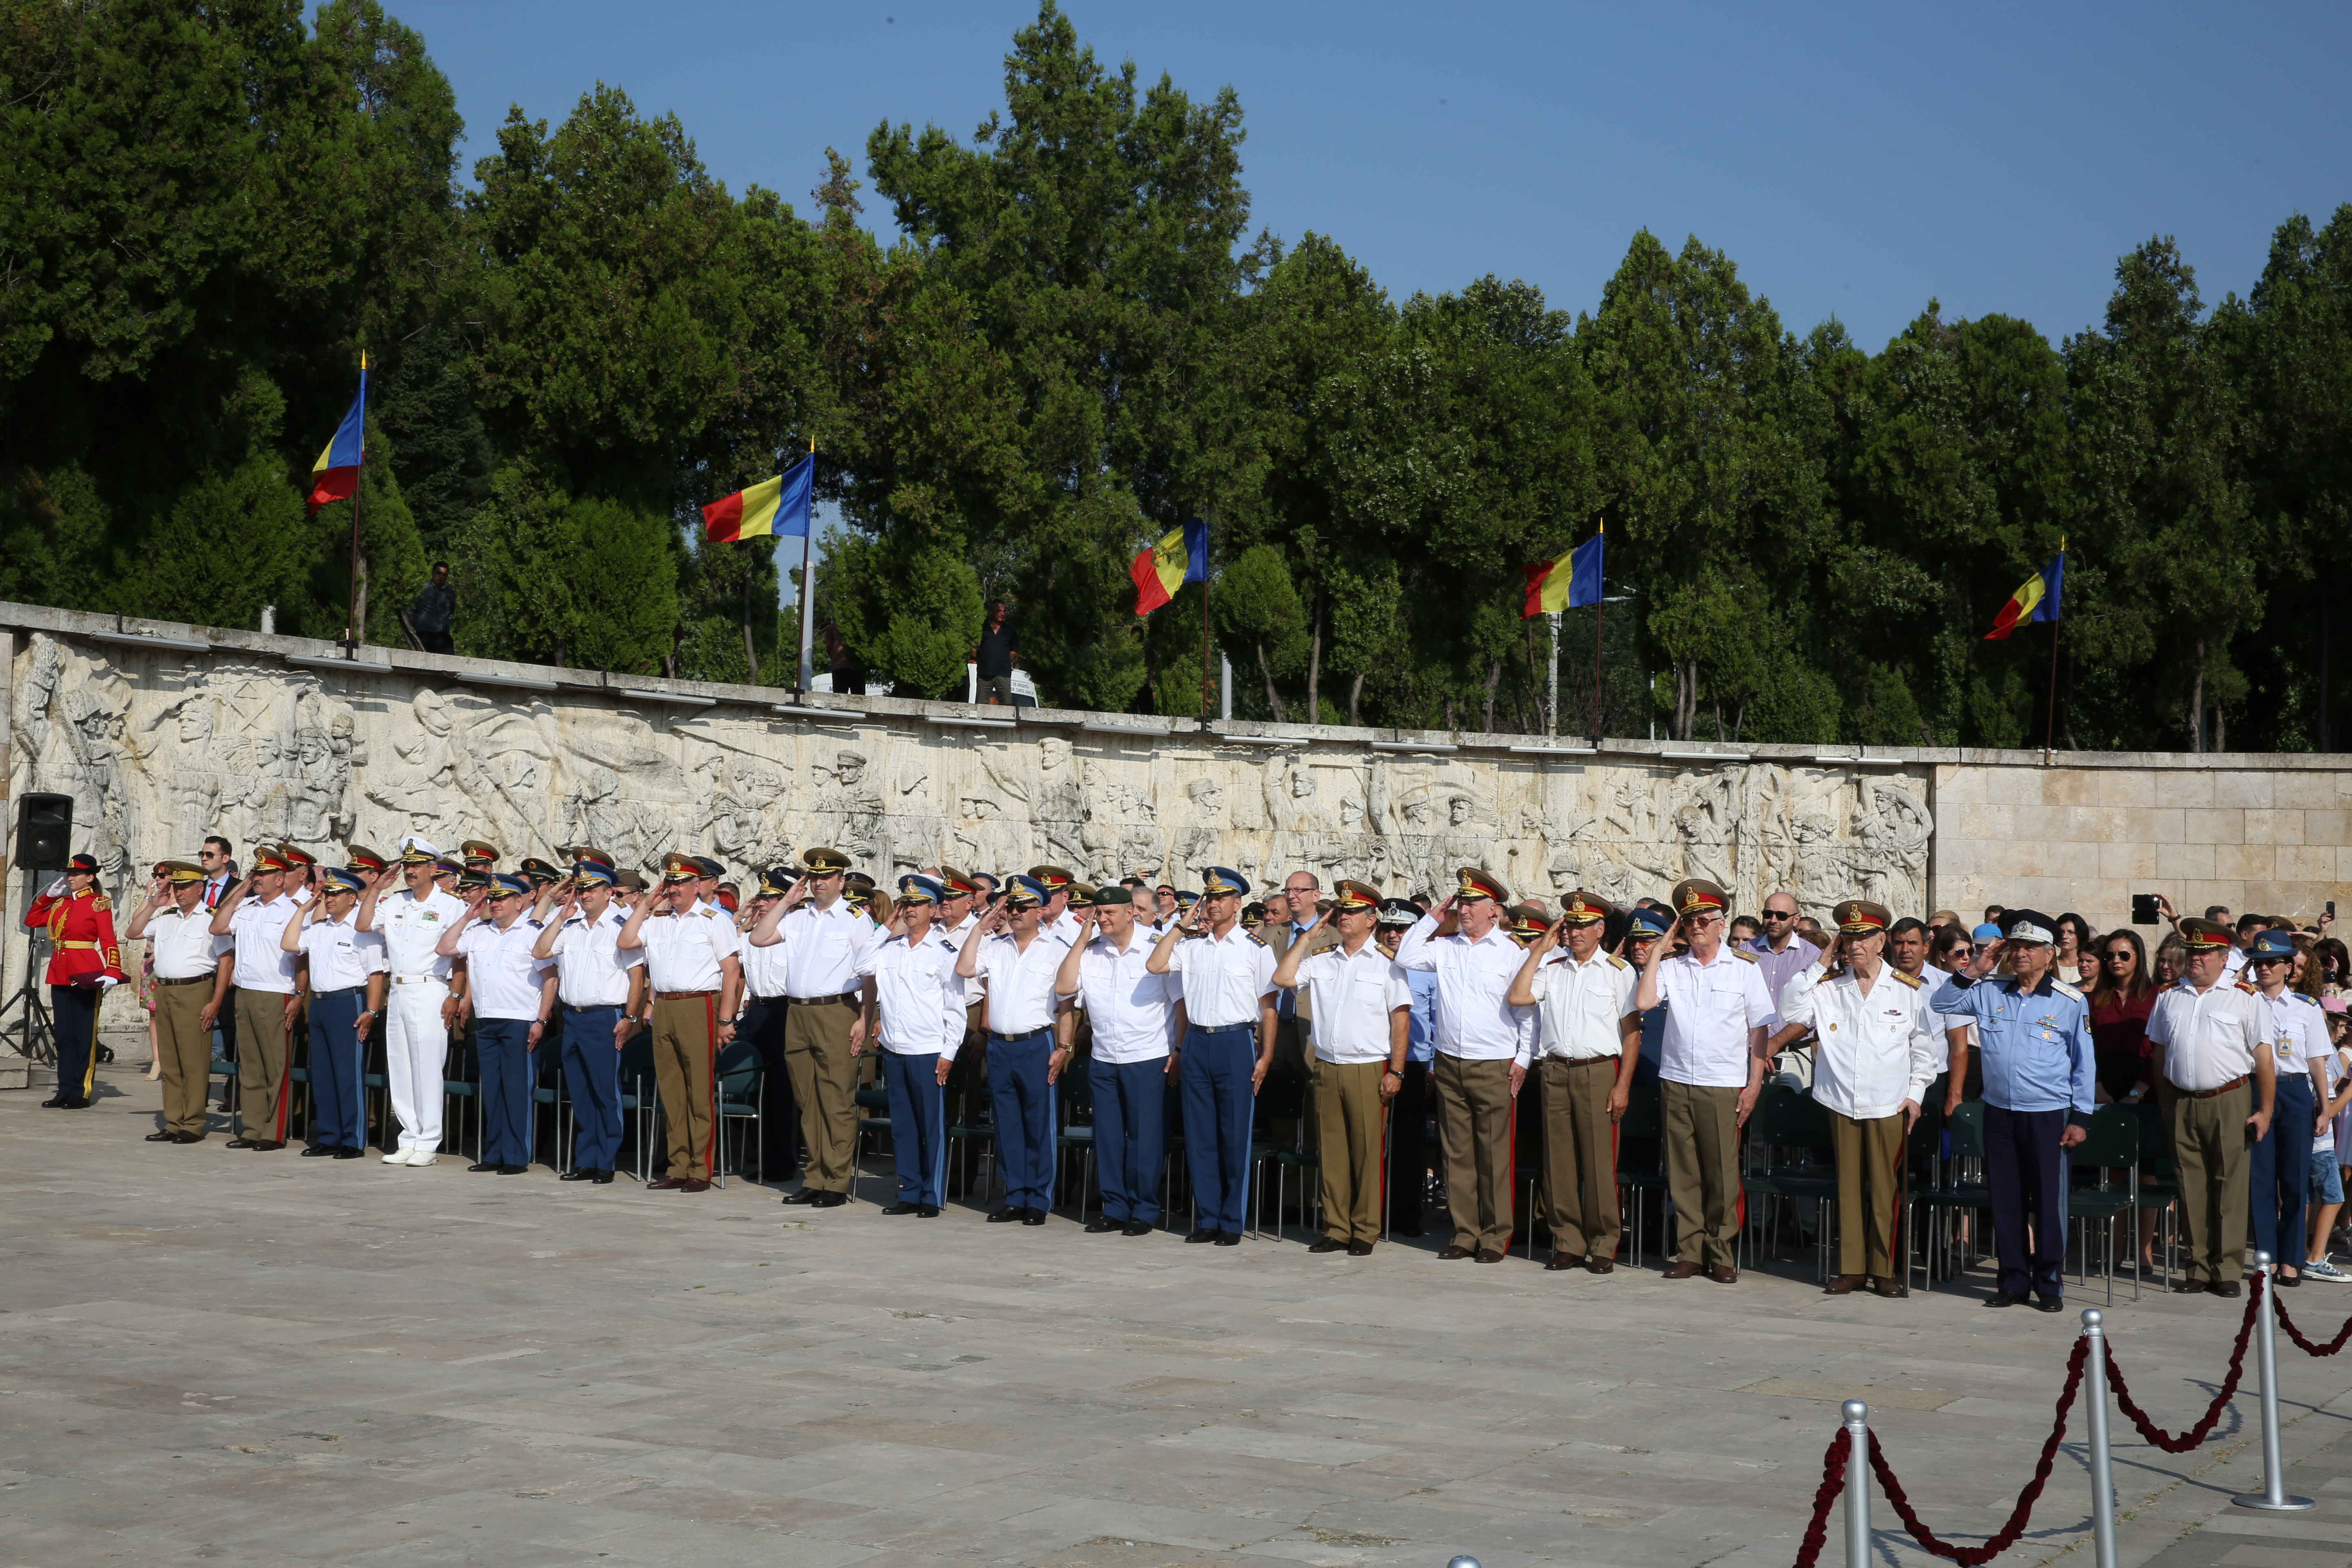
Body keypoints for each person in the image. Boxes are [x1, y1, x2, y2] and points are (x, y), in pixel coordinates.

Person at [1771, 900, 1939, 1296]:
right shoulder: (1830, 986)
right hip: (1841, 1100)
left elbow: (1924, 1051)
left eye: (1864, 936)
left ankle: (1883, 1270)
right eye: (1850, 936)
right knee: (1847, 1186)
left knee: (1884, 1189)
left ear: (1883, 941)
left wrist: (1915, 1096)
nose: (1856, 943)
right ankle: (1851, 1268)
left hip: (1888, 1102)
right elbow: (1790, 1006)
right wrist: (1819, 964)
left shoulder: (1907, 990)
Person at [1932, 910, 2098, 1310]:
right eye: (2017, 946)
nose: (2022, 954)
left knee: (2047, 1201)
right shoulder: (1991, 990)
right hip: (2000, 1111)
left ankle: (2050, 1284)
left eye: (2031, 947)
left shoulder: (2069, 1002)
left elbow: (2084, 1062)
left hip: (2048, 1113)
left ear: (2049, 954)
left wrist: (2081, 1118)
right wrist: (1978, 965)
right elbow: (1942, 1002)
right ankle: (2012, 1281)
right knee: (2006, 1199)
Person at [1393, 869, 1536, 1264]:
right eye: (1461, 902)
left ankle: (1494, 1236)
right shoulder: (1446, 945)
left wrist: (1523, 1059)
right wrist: (1432, 918)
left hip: (1494, 1062)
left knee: (1493, 1155)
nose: (1465, 909)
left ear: (1495, 910)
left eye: (1473, 903)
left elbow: (1527, 1013)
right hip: (1450, 1062)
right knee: (1457, 1154)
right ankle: (1465, 1232)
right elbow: (1405, 956)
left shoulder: (1512, 952)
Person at [1637, 878, 1777, 1283]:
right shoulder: (1670, 968)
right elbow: (1645, 1002)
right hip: (1677, 1079)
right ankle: (1689, 1252)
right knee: (1683, 1172)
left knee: (1721, 1173)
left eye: (1704, 919)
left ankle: (1720, 1252)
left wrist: (1753, 1086)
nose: (1697, 926)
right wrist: (1661, 950)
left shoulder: (1744, 969)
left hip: (1722, 1081)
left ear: (1721, 923)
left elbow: (1759, 1031)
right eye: (1690, 920)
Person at [1271, 882, 1411, 1257]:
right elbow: (1283, 979)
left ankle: (1365, 1230)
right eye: (1341, 912)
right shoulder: (1321, 957)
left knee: (1366, 1151)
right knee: (1331, 1151)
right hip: (1327, 1065)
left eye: (1352, 913)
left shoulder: (1387, 963)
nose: (1344, 918)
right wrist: (1306, 939)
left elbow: (1400, 1021)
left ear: (1371, 920)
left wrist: (1396, 1071)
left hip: (1367, 1067)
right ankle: (1336, 1227)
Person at [1508, 891, 1641, 1274]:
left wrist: (1623, 1086)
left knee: (1599, 1162)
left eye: (1584, 926)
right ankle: (1567, 1241)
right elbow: (1519, 997)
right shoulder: (1552, 967)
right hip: (1555, 1069)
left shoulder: (1618, 971)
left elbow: (1632, 1034)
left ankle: (1603, 1243)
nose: (1576, 932)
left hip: (1598, 1070)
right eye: (1570, 925)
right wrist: (1540, 950)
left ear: (1601, 930)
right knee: (1559, 1161)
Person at [1147, 866, 1278, 1246]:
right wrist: (1180, 925)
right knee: (1200, 1133)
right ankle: (1206, 1217)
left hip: (1235, 1042)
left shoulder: (1256, 949)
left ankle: (1231, 1221)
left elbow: (1268, 1007)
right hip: (1198, 1043)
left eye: (1222, 898)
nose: (1214, 904)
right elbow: (1155, 965)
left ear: (1238, 905)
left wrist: (1266, 1056)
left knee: (1234, 1134)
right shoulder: (1191, 947)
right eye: (1210, 897)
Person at [2143, 918, 2274, 1296]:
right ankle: (2197, 1267)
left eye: (2204, 953)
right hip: (2183, 1098)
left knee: (2229, 1184)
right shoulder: (2169, 996)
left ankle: (2228, 1268)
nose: (2195, 959)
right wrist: (2167, 1102)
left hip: (2229, 1097)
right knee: (2190, 1184)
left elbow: (2263, 1058)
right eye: (2192, 952)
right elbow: (2160, 1054)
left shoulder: (2244, 997)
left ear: (2222, 957)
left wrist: (2264, 1110)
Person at [746, 848, 874, 1206]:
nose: (819, 883)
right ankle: (815, 1177)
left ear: (841, 881)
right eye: (814, 877)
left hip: (836, 1011)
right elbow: (759, 938)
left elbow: (869, 975)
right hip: (797, 1013)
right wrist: (787, 901)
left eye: (826, 877)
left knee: (836, 1100)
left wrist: (865, 1018)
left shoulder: (854, 918)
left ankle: (836, 1181)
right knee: (808, 1099)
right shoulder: (798, 916)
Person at [1056, 883, 1181, 1236]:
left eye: (1110, 913)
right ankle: (1115, 1206)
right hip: (1105, 1055)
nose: (1102, 918)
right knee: (1108, 1137)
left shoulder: (1156, 949)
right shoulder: (1091, 950)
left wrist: (1179, 1051)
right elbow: (1065, 989)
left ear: (1132, 913)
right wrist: (1081, 941)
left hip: (1148, 1056)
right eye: (1099, 913)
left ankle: (1144, 1208)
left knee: (1144, 1138)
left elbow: (1180, 1005)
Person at [619, 853, 744, 1192]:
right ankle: (677, 1164)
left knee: (698, 1091)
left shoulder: (713, 920)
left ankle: (700, 1169)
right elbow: (626, 941)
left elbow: (732, 972)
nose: (673, 890)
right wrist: (646, 904)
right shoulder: (657, 920)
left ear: (695, 886)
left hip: (699, 1004)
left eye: (679, 884)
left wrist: (725, 1019)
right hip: (665, 1007)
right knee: (672, 1091)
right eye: (669, 883)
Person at [960, 875, 1069, 1225]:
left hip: (1036, 1044)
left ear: (1040, 911)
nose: (1017, 912)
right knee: (1007, 1125)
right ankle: (1015, 1194)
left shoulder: (1056, 950)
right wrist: (980, 927)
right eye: (1012, 906)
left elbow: (1066, 1005)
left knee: (1038, 1124)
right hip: (1001, 1046)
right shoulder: (995, 947)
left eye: (1025, 907)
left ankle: (1039, 1198)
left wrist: (1064, 1046)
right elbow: (964, 968)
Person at [356, 837, 470, 1167]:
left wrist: (456, 994)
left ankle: (429, 1140)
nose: (410, 871)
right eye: (407, 866)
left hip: (431, 988)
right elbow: (363, 925)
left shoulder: (451, 905)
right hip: (401, 990)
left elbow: (461, 957)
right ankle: (408, 1137)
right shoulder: (395, 903)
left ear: (434, 869)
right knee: (401, 1067)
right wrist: (377, 889)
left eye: (417, 866)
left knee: (427, 1067)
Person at [857, 876, 966, 1216]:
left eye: (919, 904)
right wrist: (884, 928)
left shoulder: (945, 952)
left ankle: (932, 1196)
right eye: (907, 903)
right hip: (896, 1048)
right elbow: (860, 966)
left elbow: (955, 1009)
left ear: (934, 910)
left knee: (930, 1126)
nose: (911, 910)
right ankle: (909, 1191)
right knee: (903, 1127)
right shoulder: (890, 948)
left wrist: (949, 1053)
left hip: (929, 1050)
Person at [534, 860, 644, 1185]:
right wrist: (561, 917)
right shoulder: (570, 926)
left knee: (604, 1092)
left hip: (605, 1017)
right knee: (580, 1092)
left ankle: (606, 1161)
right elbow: (540, 952)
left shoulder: (621, 925)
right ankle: (586, 1159)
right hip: (574, 1017)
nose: (584, 895)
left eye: (592, 889)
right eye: (581, 890)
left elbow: (636, 978)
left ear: (609, 892)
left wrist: (629, 1017)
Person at [440, 872, 555, 1176]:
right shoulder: (479, 932)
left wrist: (542, 1019)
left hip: (520, 1019)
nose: (496, 903)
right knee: (492, 1090)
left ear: (520, 902)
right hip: (488, 1019)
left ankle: (516, 1156)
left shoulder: (532, 932)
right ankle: (495, 1152)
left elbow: (550, 979)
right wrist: (468, 916)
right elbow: (445, 948)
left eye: (503, 898)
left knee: (517, 1091)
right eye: (493, 898)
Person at [281, 867, 388, 1159]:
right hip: (320, 1003)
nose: (329, 898)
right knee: (324, 1074)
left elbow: (376, 974)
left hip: (348, 1002)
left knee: (347, 1074)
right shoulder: (319, 928)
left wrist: (371, 1011)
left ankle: (353, 1140)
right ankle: (329, 1136)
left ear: (352, 898)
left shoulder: (362, 931)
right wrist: (304, 910)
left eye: (336, 893)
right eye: (327, 892)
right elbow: (289, 944)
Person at [124, 861, 230, 1141]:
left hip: (196, 990)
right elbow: (133, 933)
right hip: (166, 990)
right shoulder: (167, 917)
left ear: (200, 888)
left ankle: (193, 1123)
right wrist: (152, 904)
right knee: (170, 1062)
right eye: (176, 887)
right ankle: (174, 1121)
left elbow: (226, 961)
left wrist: (216, 1002)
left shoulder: (211, 919)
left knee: (193, 1061)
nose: (179, 892)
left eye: (185, 887)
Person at [2246, 929, 2329, 1287]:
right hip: (2254, 1090)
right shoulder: (2244, 1001)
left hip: (2294, 1092)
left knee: (2295, 1178)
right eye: (2258, 963)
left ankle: (2292, 1259)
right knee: (2261, 1178)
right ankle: (2267, 1255)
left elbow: (2316, 1062)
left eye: (2271, 963)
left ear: (2288, 966)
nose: (2264, 969)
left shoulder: (2306, 1008)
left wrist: (2324, 1107)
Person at [209, 848, 301, 1146]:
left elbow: (303, 959)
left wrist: (299, 994)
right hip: (246, 991)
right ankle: (251, 1129)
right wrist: (242, 889)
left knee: (275, 1067)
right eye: (256, 874)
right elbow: (218, 926)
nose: (258, 879)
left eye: (263, 875)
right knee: (249, 1066)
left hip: (276, 993)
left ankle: (273, 1132)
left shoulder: (293, 910)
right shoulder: (246, 907)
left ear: (280, 879)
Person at [22, 852, 125, 1110]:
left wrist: (113, 969)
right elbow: (32, 920)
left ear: (90, 878)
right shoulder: (60, 904)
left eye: (76, 874)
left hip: (86, 973)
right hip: (60, 972)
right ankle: (64, 1089)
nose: (70, 878)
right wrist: (49, 896)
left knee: (83, 1035)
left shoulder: (98, 903)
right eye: (69, 874)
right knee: (64, 1036)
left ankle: (81, 1091)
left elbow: (108, 940)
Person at [733, 866, 801, 1185]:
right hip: (757, 1011)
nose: (762, 903)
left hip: (784, 1011)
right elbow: (725, 950)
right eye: (761, 897)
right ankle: (761, 1156)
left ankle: (784, 1161)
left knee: (782, 1091)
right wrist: (738, 916)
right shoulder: (750, 935)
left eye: (771, 898)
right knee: (757, 1090)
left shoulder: (794, 931)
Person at [1379, 898, 1436, 1239]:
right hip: (1375, 1060)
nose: (1393, 935)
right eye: (1388, 928)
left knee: (1407, 1143)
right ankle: (1376, 1209)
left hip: (1413, 1065)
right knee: (1374, 1142)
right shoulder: (1374, 963)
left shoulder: (1426, 968)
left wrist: (1433, 1067)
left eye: (1401, 929)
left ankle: (1406, 1213)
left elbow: (1437, 1020)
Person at [1739, 889, 1822, 1014]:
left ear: (1796, 919)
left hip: (1797, 1034)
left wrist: (1783, 1035)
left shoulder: (1812, 956)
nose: (1773, 920)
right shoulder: (1744, 951)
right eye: (1768, 914)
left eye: (1781, 916)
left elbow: (1817, 1008)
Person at [973, 599, 1020, 705]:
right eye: (999, 611)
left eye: (1004, 611)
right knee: (980, 707)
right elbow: (972, 646)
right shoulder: (981, 628)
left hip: (1003, 674)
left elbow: (1015, 651)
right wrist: (981, 660)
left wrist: (1003, 661)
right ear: (992, 611)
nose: (1003, 614)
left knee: (1007, 706)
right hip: (984, 674)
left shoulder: (1010, 630)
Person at [410, 561, 456, 654]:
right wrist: (420, 625)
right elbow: (410, 612)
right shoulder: (422, 590)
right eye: (438, 573)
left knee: (450, 664)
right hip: (425, 636)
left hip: (443, 637)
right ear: (433, 573)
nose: (441, 577)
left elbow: (451, 614)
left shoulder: (450, 593)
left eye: (444, 575)